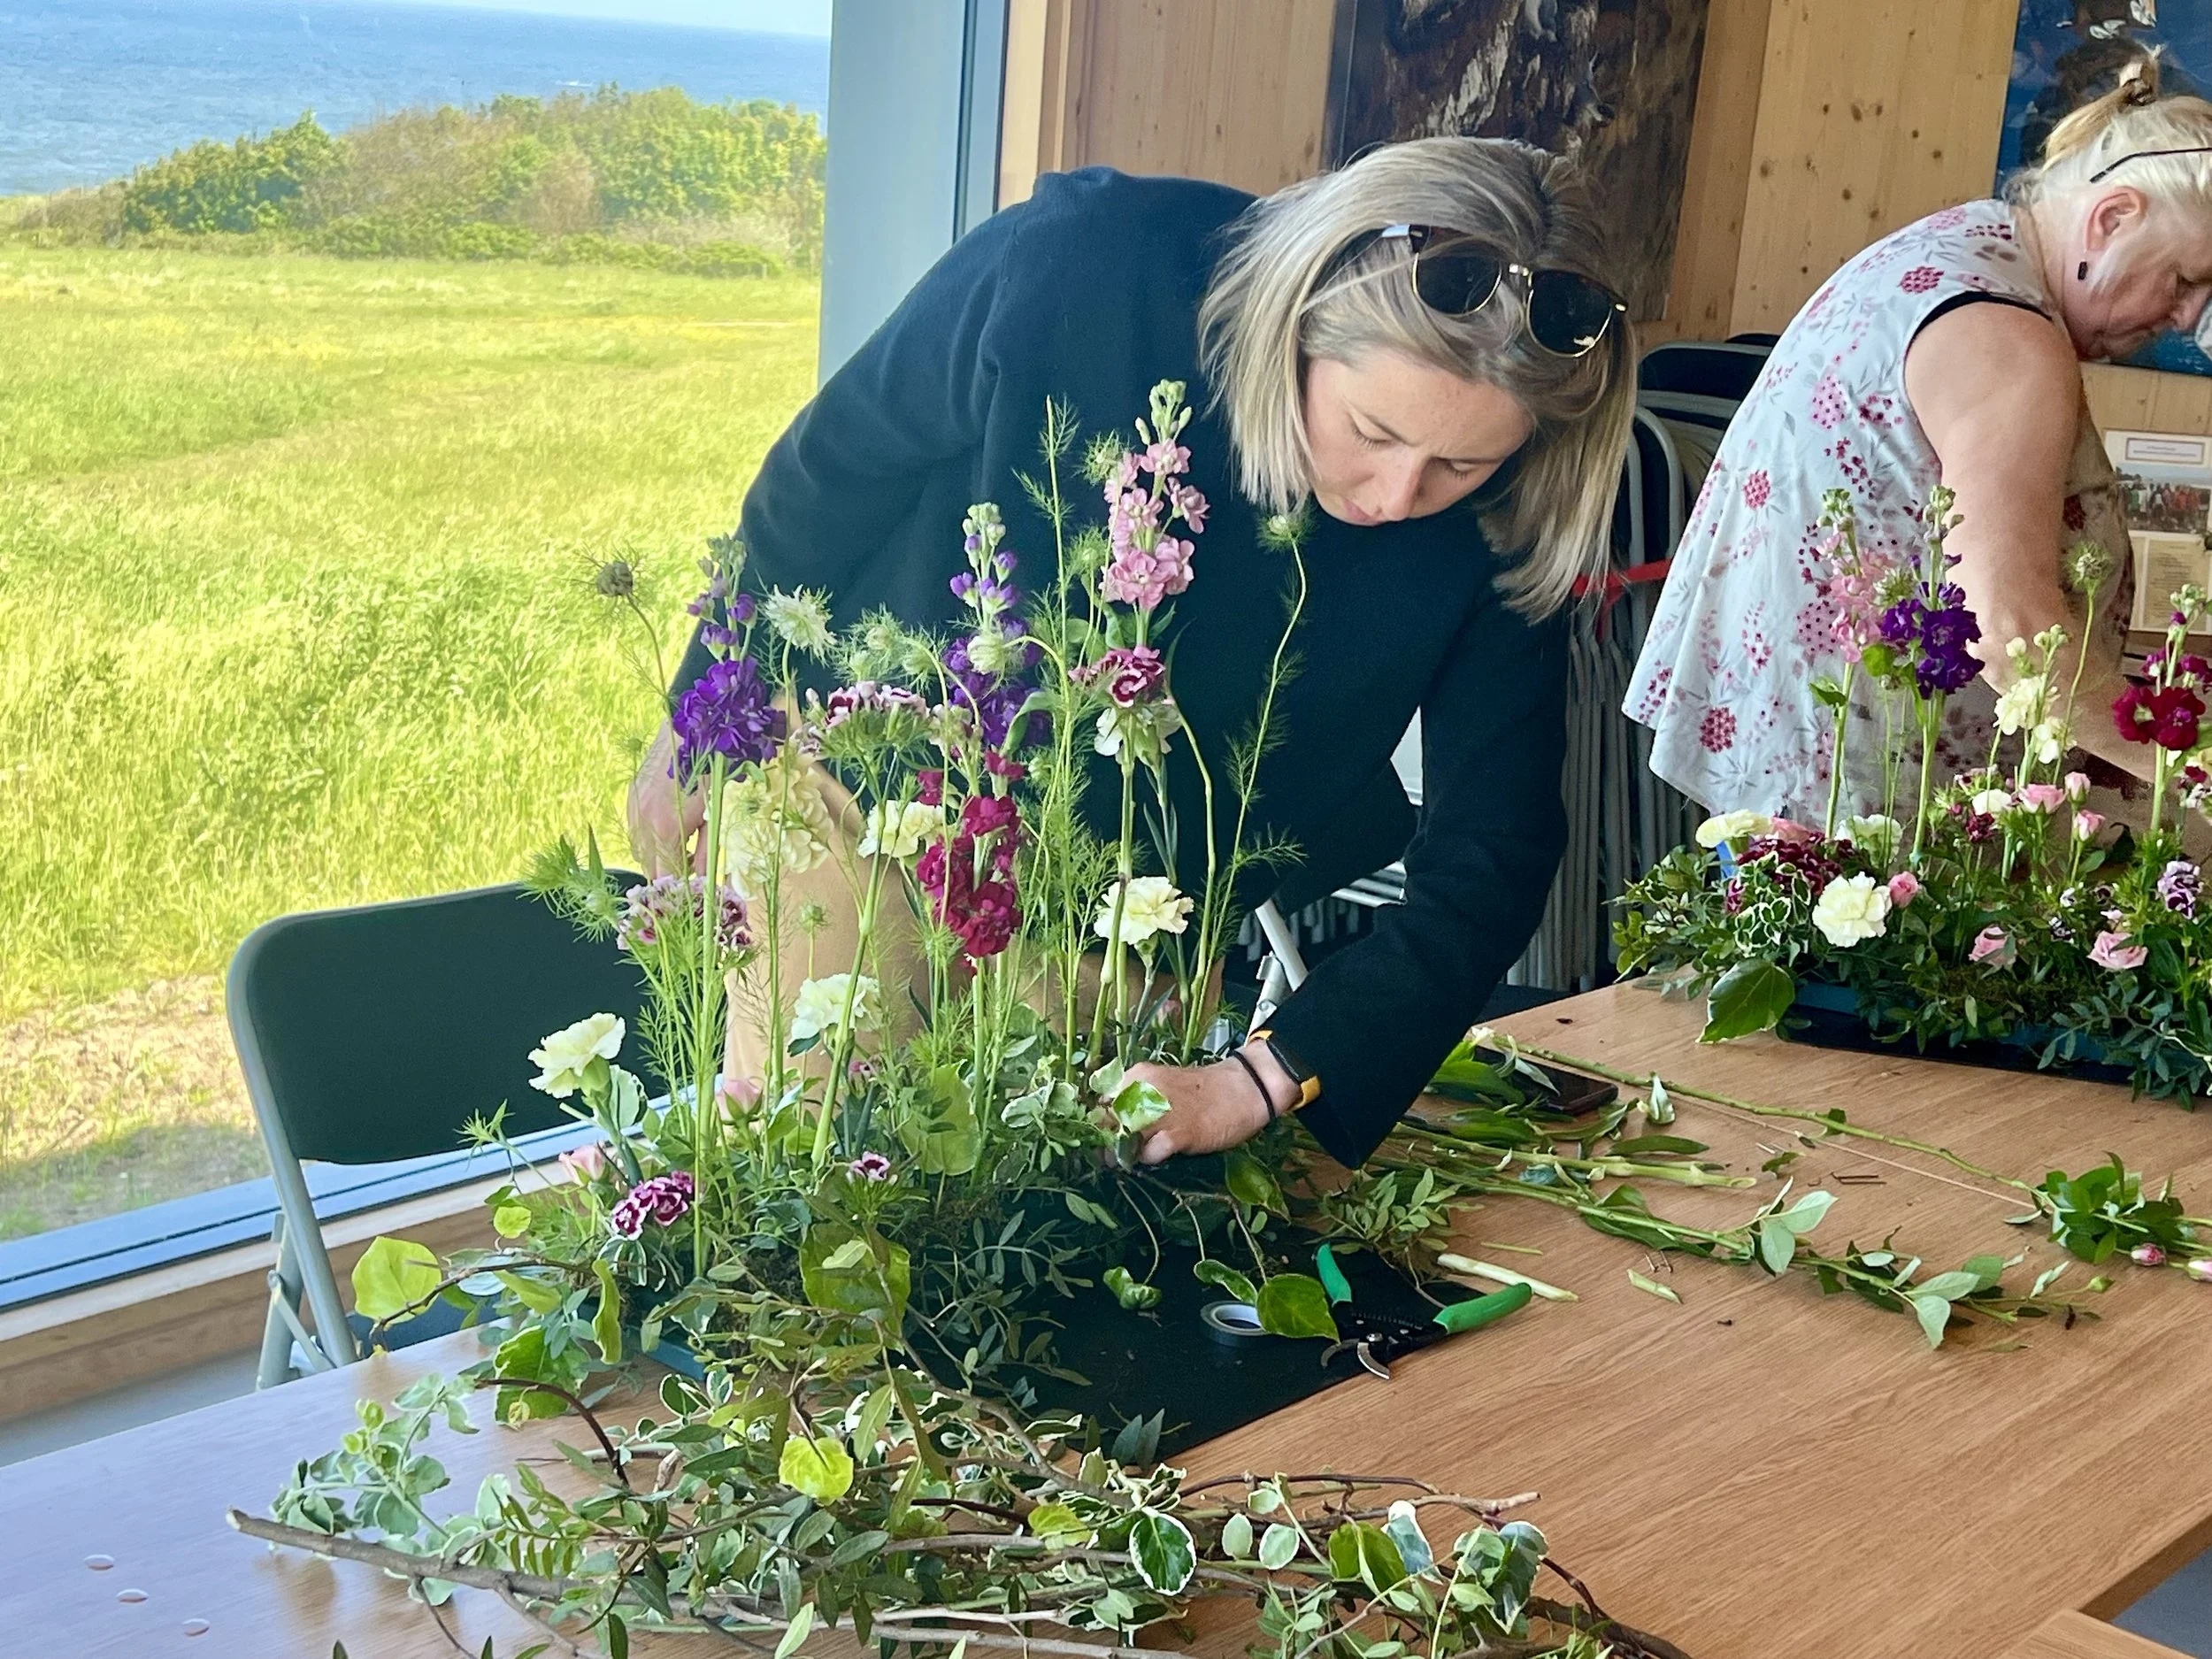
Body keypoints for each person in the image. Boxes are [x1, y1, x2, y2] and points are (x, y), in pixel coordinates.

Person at [629, 138, 1635, 1171]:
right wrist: (701, 710)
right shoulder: (1084, 263)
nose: (1394, 496)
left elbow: (1494, 847)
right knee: (802, 1173)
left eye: (1459, 466)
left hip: (1131, 906)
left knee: (1045, 1218)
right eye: (1370, 431)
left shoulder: (1519, 503)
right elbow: (825, 480)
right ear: (1297, 317)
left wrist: (1266, 1075)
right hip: (869, 800)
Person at [1627, 57, 2212, 824]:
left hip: (1795, 751)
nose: (2185, 318)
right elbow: (2014, 633)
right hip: (1860, 800)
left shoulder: (1960, 245)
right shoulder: (2009, 338)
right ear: (2111, 219)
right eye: (2184, 280)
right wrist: (2188, 764)